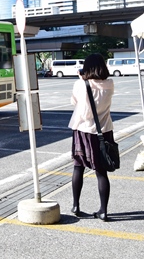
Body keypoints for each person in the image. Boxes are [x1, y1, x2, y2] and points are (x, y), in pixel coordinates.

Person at [68, 53, 115, 222]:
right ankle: (103, 210)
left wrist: (81, 79)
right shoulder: (110, 84)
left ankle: (76, 205)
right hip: (103, 131)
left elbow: (74, 102)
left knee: (78, 167)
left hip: (83, 130)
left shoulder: (80, 84)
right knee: (101, 172)